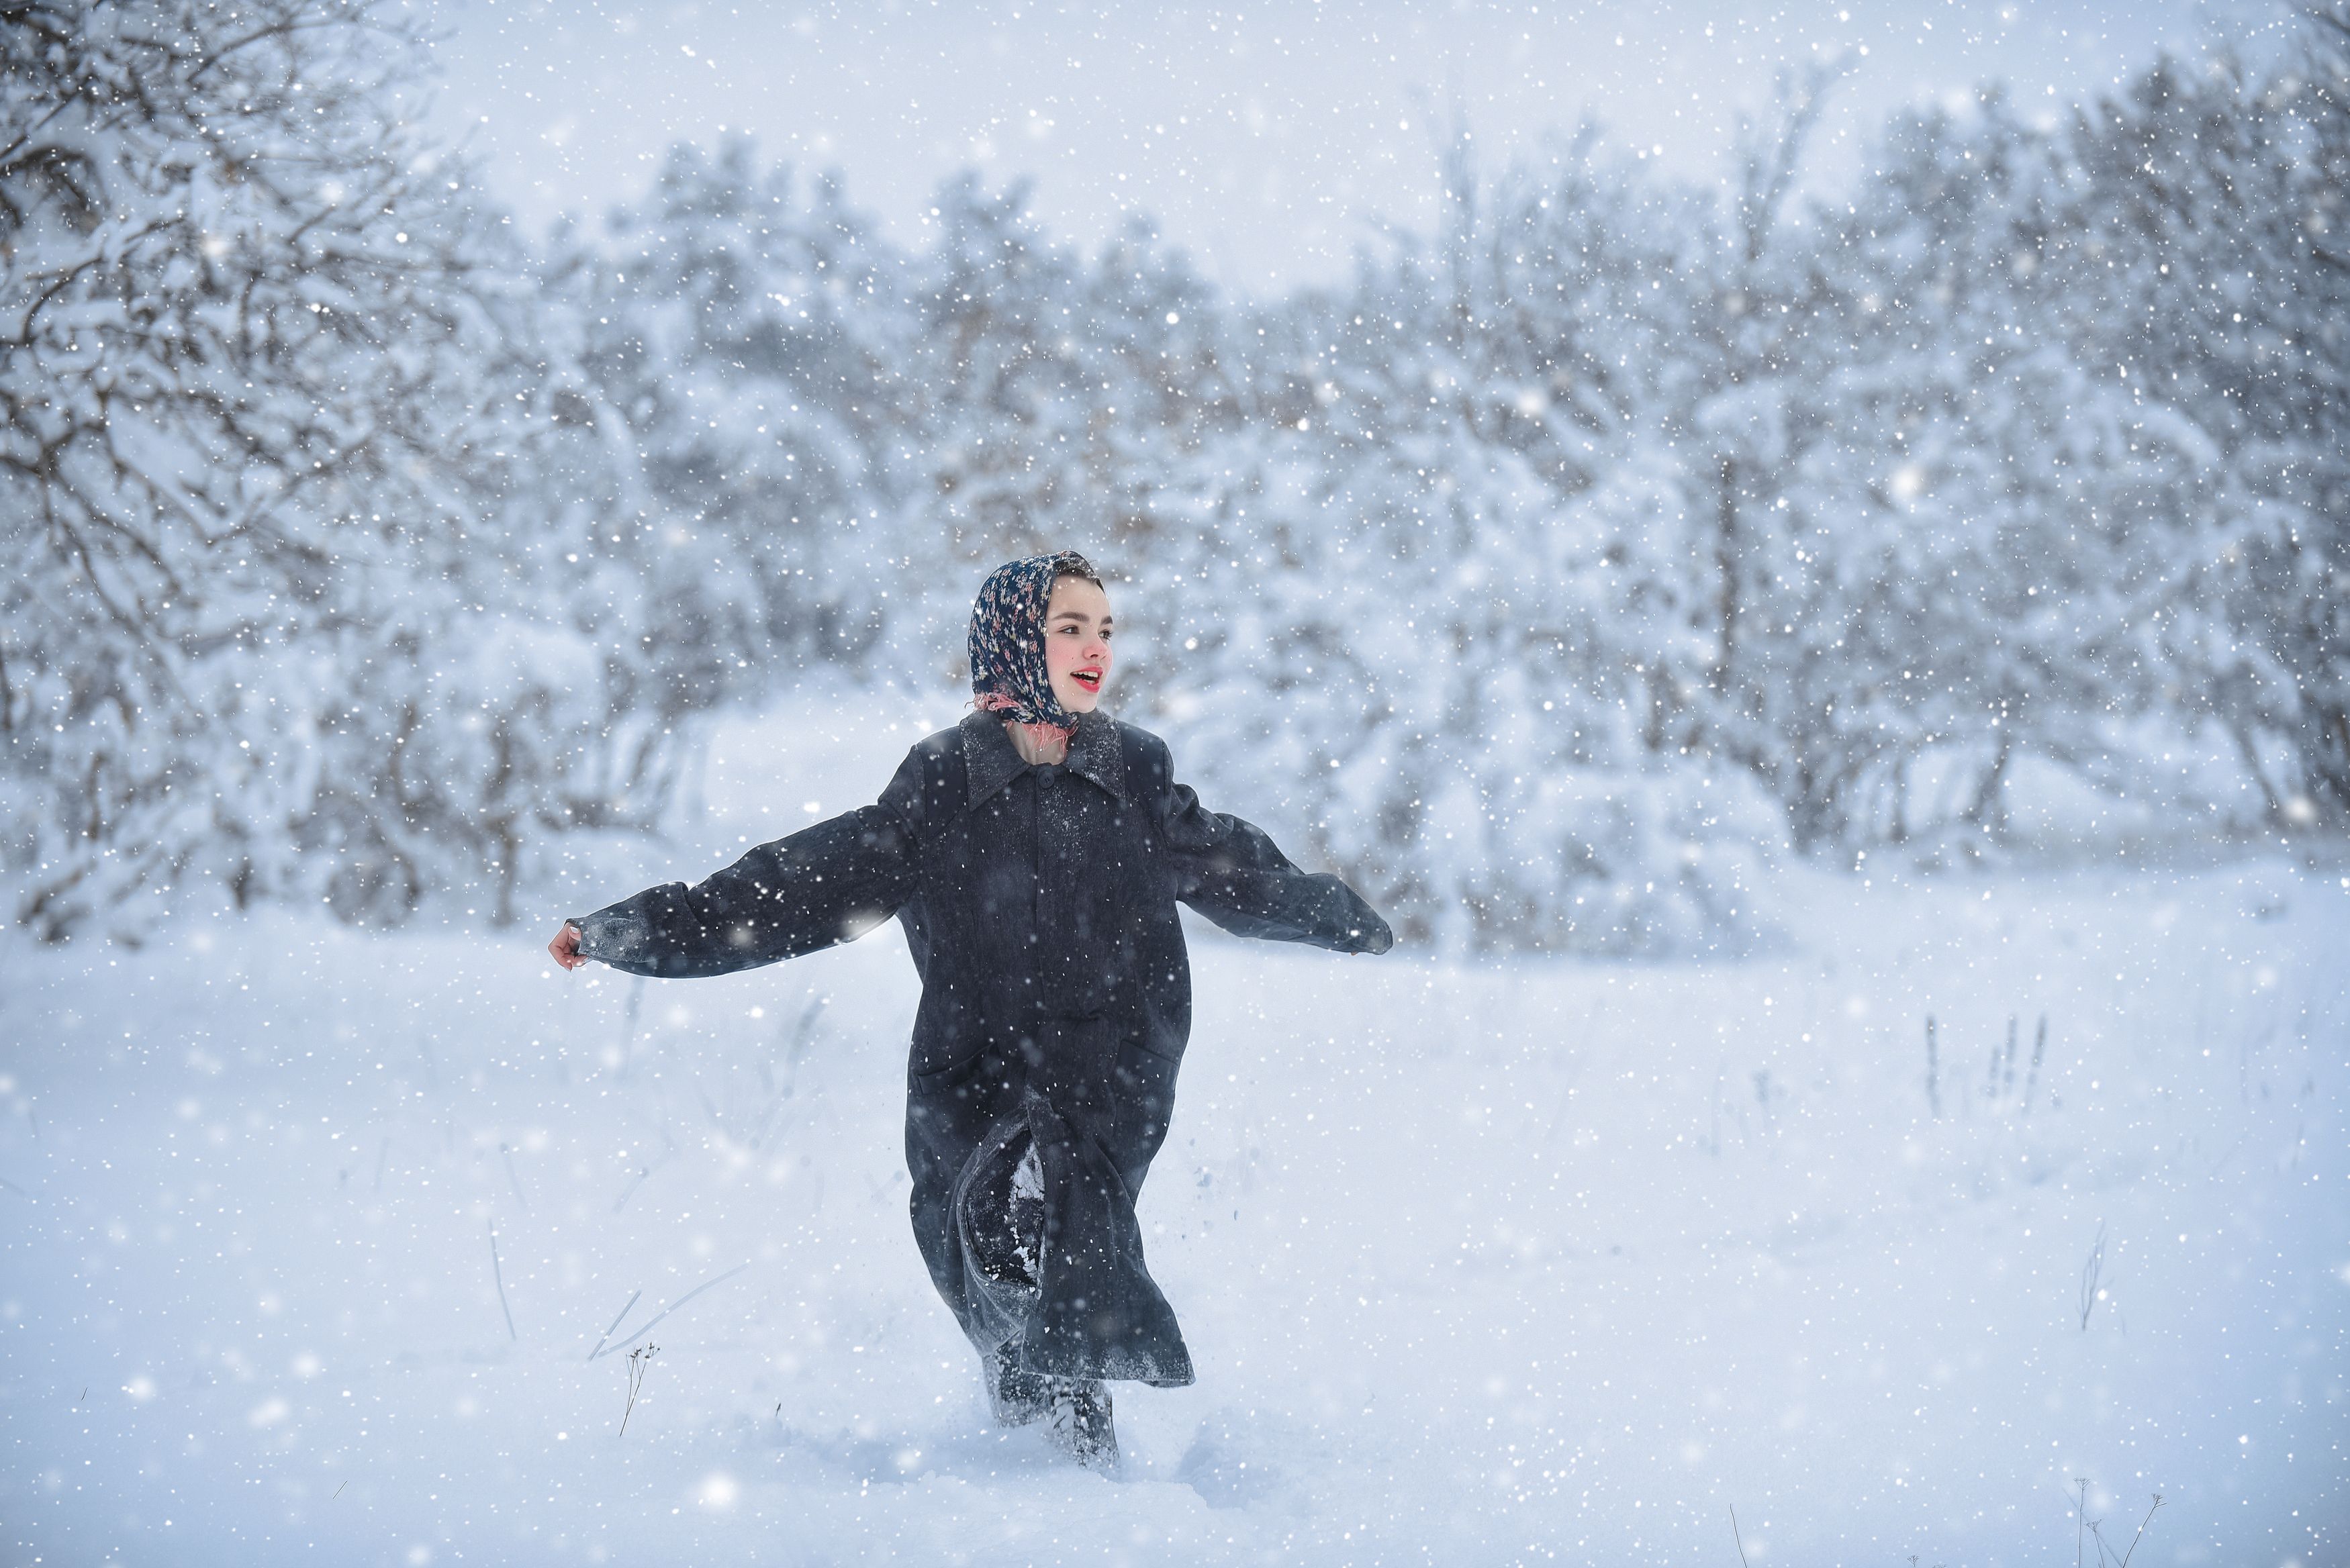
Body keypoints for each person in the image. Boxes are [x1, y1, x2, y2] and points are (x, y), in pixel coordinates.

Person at [548, 551, 1393, 1469]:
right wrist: (627, 930)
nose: (1094, 649)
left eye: (1104, 629)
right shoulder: (942, 786)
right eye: (1070, 628)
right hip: (972, 1082)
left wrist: (1341, 916)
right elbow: (795, 888)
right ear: (1015, 643)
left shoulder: (1135, 775)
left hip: (1110, 1078)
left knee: (1051, 1232)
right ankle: (1035, 1474)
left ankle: (1082, 1484)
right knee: (997, 1278)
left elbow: (1237, 868)